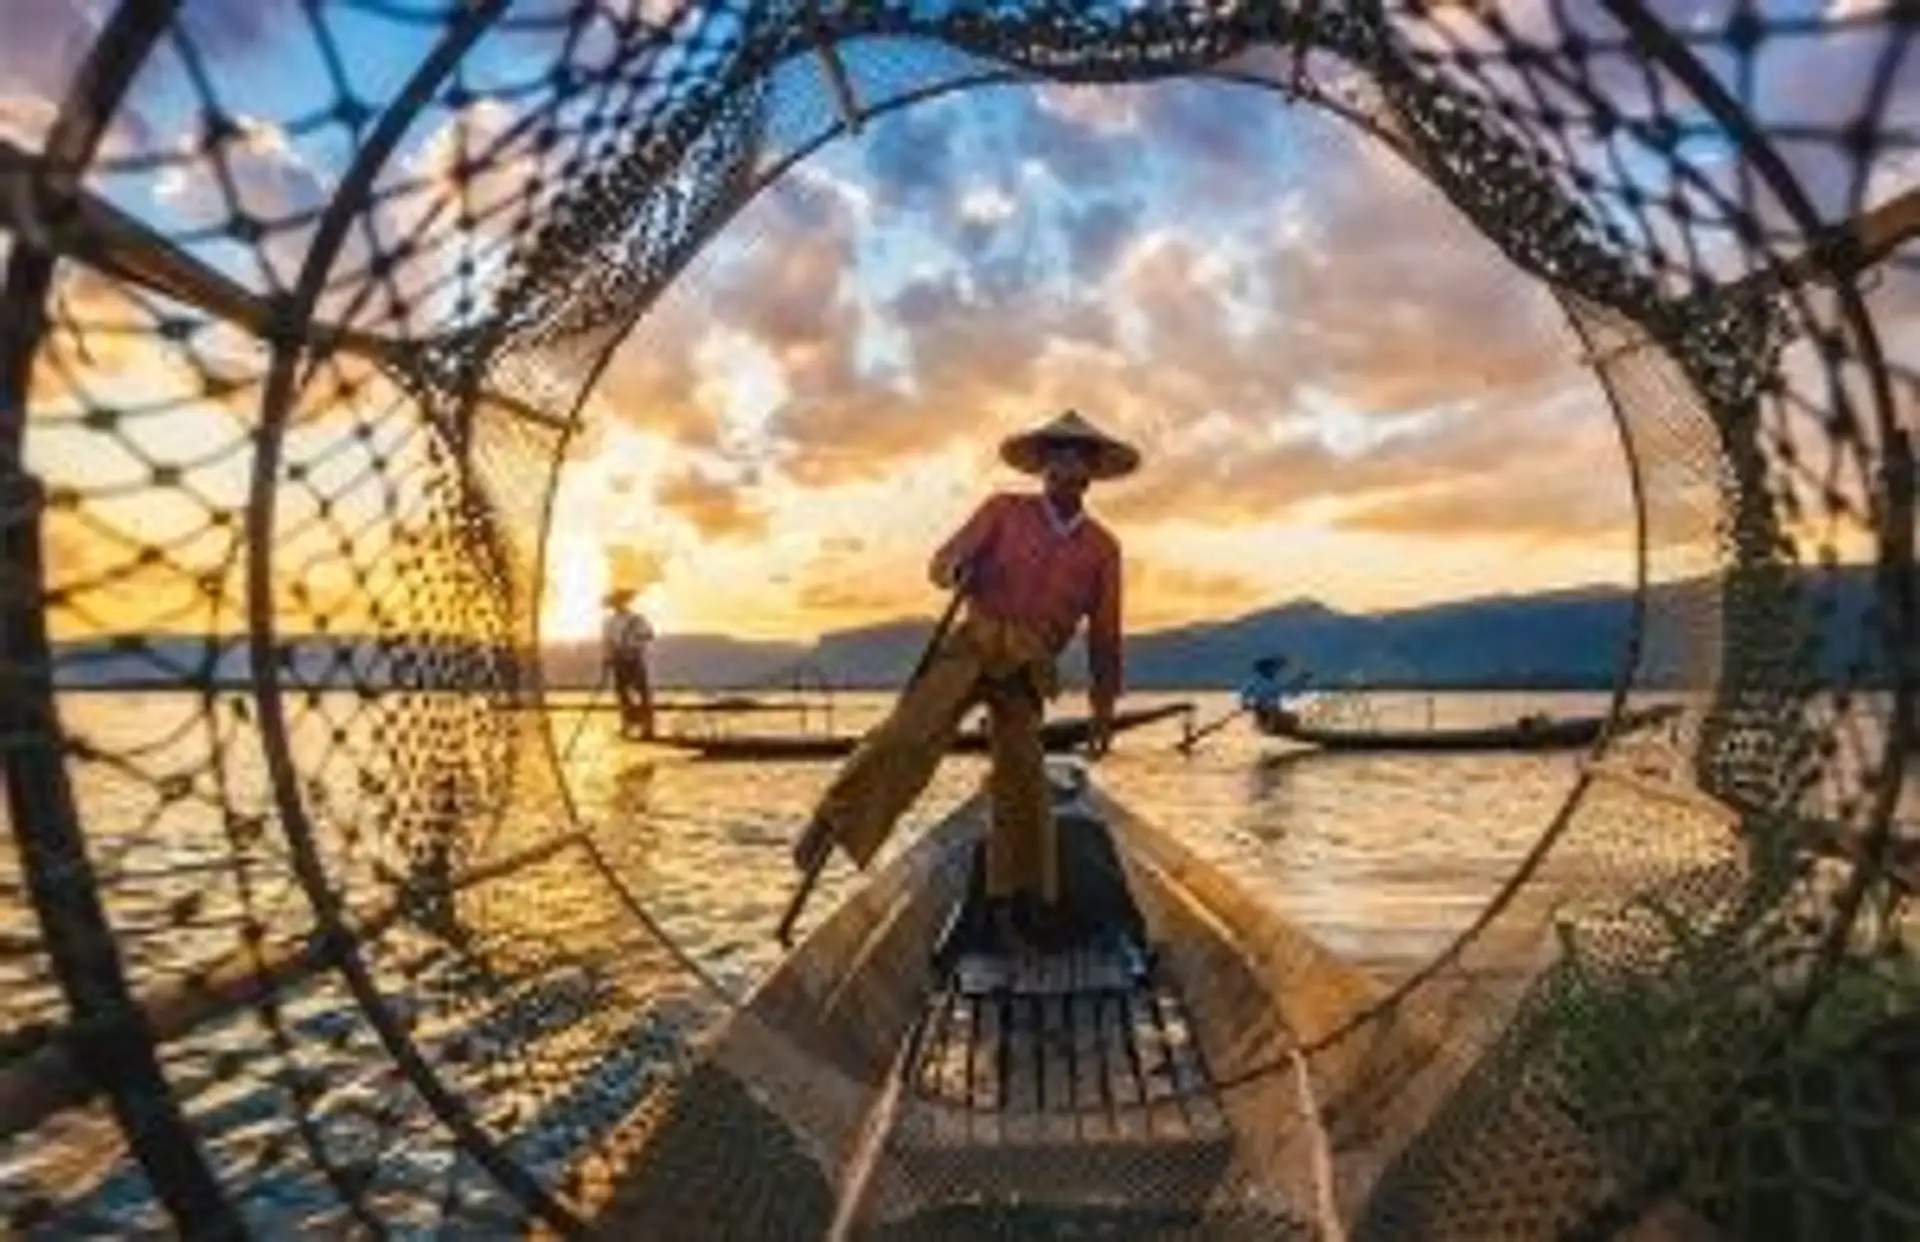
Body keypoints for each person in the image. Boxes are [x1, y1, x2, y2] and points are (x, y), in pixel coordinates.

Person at [790, 409, 1137, 947]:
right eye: (1055, 457)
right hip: (972, 644)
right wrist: (954, 569)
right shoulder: (1003, 511)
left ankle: (1019, 902)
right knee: (909, 734)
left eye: (1075, 458)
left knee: (1023, 782)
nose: (1063, 467)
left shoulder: (1102, 548)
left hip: (1026, 667)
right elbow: (943, 560)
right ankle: (835, 817)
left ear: (1090, 474)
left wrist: (1103, 707)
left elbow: (1105, 638)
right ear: (1042, 467)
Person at [602, 588, 656, 739]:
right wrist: (607, 658)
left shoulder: (637, 619)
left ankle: (648, 728)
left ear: (625, 602)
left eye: (620, 602)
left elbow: (649, 635)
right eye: (615, 603)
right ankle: (627, 724)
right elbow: (607, 642)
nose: (618, 605)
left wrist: (636, 639)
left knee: (643, 693)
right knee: (622, 694)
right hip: (619, 660)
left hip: (634, 658)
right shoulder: (609, 622)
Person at [1239, 655, 1308, 730]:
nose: (1275, 671)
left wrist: (1301, 680)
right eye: (1272, 668)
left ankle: (1269, 727)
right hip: (1261, 708)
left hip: (1271, 709)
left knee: (1291, 717)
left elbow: (1289, 691)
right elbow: (1245, 694)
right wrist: (1246, 704)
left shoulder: (1272, 683)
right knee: (1270, 712)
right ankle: (1266, 728)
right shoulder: (1256, 681)